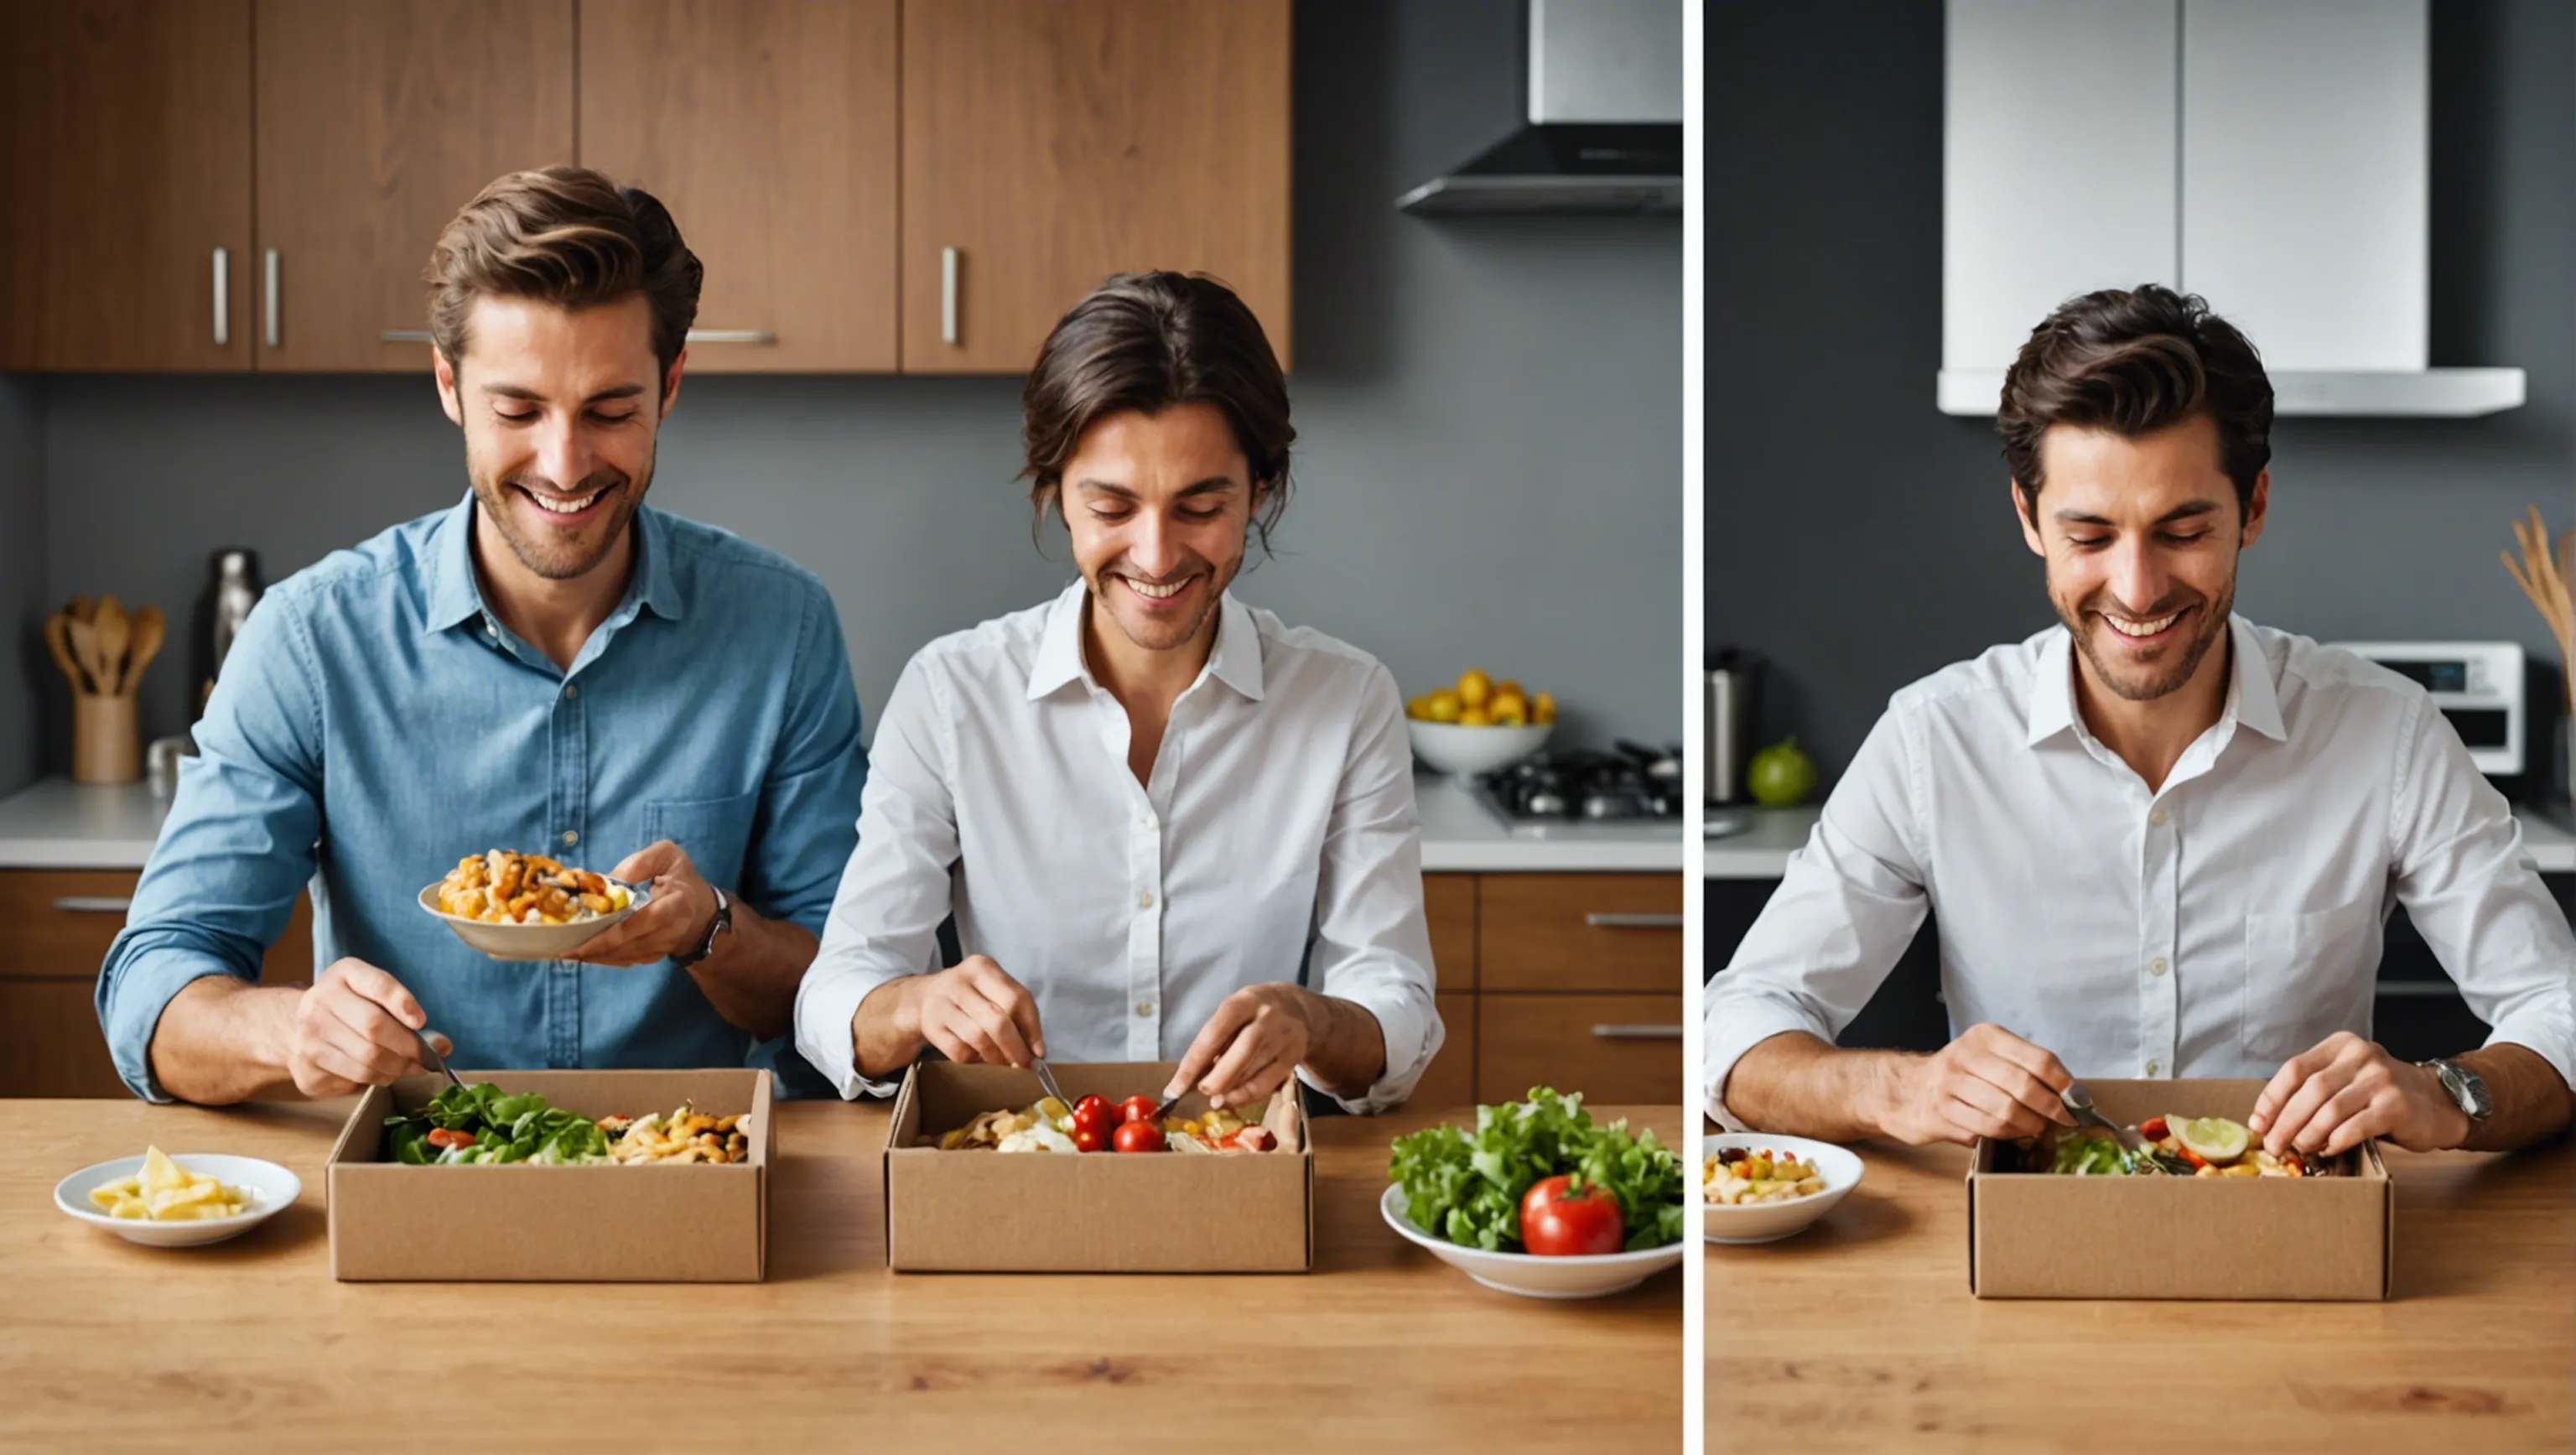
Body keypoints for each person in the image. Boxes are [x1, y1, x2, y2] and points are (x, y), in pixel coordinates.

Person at [1705, 283, 2574, 1157]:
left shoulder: (2388, 733)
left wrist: (2449, 1092)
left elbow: (2560, 1009)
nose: (2138, 589)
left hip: (2302, 1249)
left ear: (2255, 508)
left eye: (2183, 530)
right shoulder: (1936, 741)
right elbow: (1737, 1026)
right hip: (2021, 1255)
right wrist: (1904, 1086)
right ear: (2028, 518)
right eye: (2090, 537)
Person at [98, 166, 866, 1104]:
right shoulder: (310, 640)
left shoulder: (781, 629)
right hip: (414, 1187)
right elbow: (153, 985)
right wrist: (289, 1028)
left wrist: (710, 928)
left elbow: (847, 990)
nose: (565, 463)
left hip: (687, 1184)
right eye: (518, 409)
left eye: (610, 410)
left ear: (670, 387)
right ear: (448, 384)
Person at [795, 272, 1441, 1114]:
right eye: (1113, 506)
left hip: (1240, 1171)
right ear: (1055, 494)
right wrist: (918, 1003)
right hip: (1022, 1168)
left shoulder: (1346, 700)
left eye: (1201, 505)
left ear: (1261, 491)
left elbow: (1396, 1005)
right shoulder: (953, 693)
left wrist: (1312, 1019)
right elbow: (835, 994)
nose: (1158, 553)